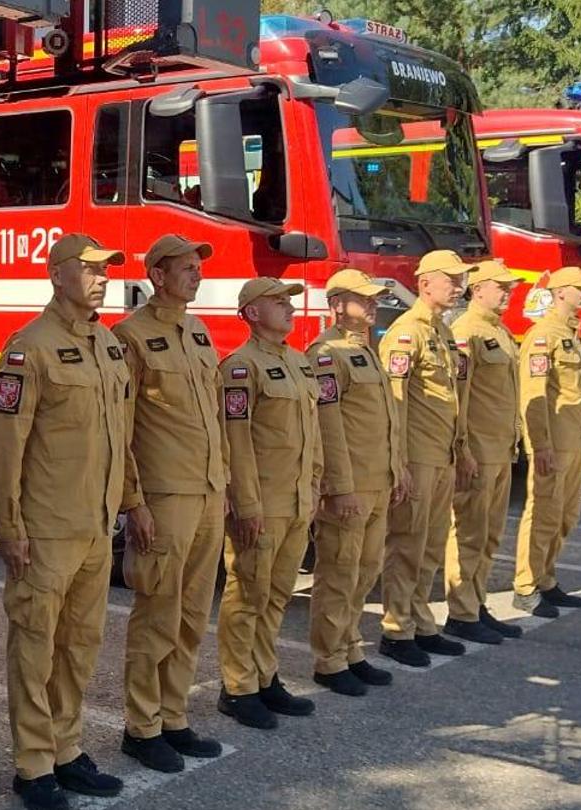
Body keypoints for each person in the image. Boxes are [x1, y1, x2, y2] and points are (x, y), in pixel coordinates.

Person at [0, 233, 134, 810]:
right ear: (57, 276)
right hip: (46, 528)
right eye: (90, 268)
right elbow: (5, 444)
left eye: (105, 268)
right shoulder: (30, 348)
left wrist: (130, 502)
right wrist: (9, 525)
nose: (101, 277)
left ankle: (66, 749)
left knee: (80, 646)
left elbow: (123, 432)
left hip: (95, 526)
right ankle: (33, 764)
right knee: (35, 646)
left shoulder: (106, 345)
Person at [114, 234, 228, 773]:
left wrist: (224, 484)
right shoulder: (131, 337)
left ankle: (174, 715)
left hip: (207, 492)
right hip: (163, 496)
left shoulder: (199, 332)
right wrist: (133, 500)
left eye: (196, 267)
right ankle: (142, 726)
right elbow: (122, 429)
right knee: (157, 612)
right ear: (156, 275)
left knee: (190, 615)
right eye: (184, 268)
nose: (195, 274)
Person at [215, 277, 322, 730]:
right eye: (279, 302)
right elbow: (235, 441)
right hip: (263, 504)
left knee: (276, 596)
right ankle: (238, 687)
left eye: (289, 301)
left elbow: (311, 435)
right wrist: (246, 505)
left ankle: (264, 675)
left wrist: (315, 485)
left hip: (296, 502)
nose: (290, 308)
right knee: (247, 595)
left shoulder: (299, 364)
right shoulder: (240, 367)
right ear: (253, 313)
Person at [306, 269, 410, 697]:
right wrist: (339, 486)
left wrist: (397, 467)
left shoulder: (366, 350)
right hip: (350, 486)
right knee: (338, 572)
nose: (372, 304)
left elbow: (385, 421)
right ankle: (329, 659)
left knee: (365, 572)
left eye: (373, 298)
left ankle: (350, 648)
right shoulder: (327, 354)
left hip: (377, 480)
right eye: (362, 299)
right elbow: (328, 426)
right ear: (336, 306)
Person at [375, 250, 473, 667]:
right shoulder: (406, 333)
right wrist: (397, 461)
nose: (458, 286)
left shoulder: (442, 332)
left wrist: (461, 448)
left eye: (460, 279)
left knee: (431, 546)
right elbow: (394, 403)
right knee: (406, 545)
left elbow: (450, 398)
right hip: (417, 456)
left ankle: (420, 622)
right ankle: (397, 629)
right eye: (450, 279)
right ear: (425, 283)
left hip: (442, 454)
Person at [443, 260, 525, 644]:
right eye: (501, 286)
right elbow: (459, 396)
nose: (508, 292)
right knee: (469, 533)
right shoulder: (467, 332)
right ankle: (461, 611)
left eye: (509, 287)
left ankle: (476, 603)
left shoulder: (501, 332)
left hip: (500, 449)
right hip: (478, 447)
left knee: (490, 534)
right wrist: (463, 448)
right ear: (477, 290)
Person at [514, 266, 581, 618]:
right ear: (561, 291)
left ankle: (547, 578)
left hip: (573, 441)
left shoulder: (569, 334)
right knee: (543, 514)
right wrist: (539, 446)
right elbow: (533, 396)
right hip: (553, 443)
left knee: (566, 515)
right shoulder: (543, 336)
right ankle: (526, 585)